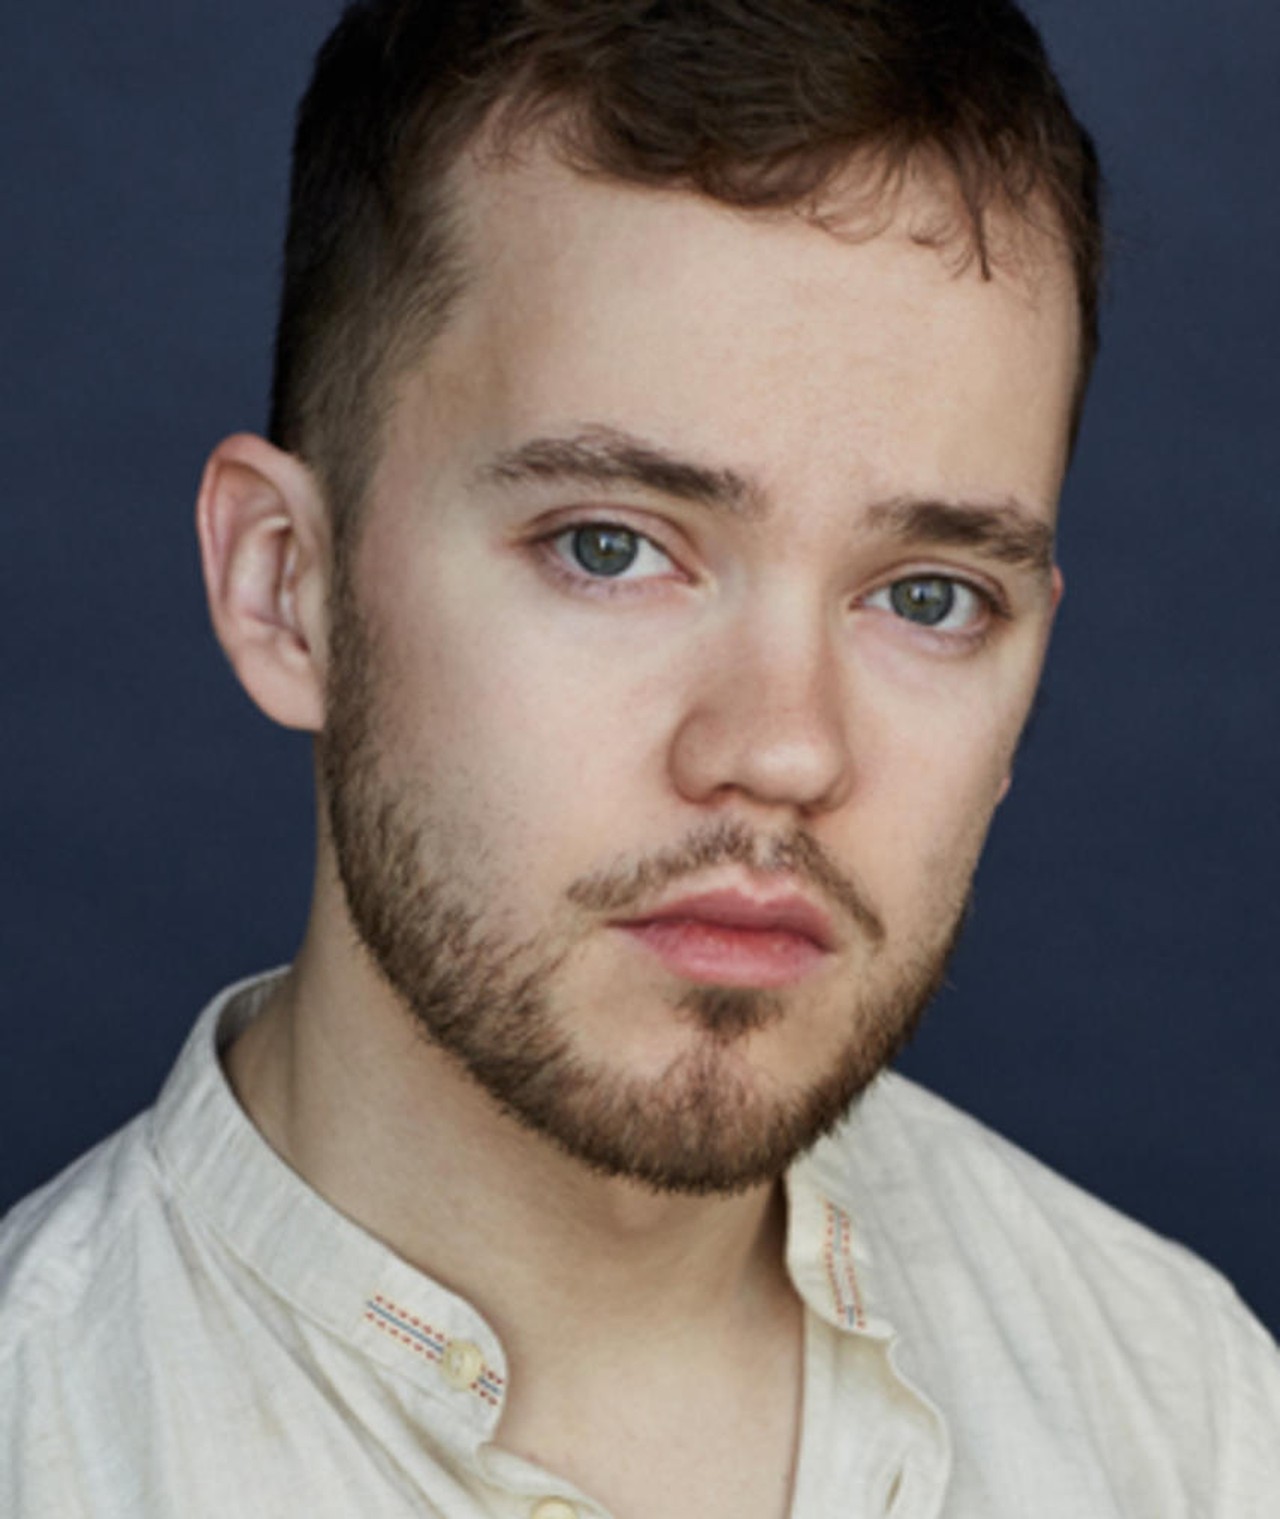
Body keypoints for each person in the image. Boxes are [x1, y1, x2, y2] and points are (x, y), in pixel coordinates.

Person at [2, 0, 1276, 1513]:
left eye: (929, 597)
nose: (787, 749)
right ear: (291, 586)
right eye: (610, 548)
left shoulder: (1189, 1405)